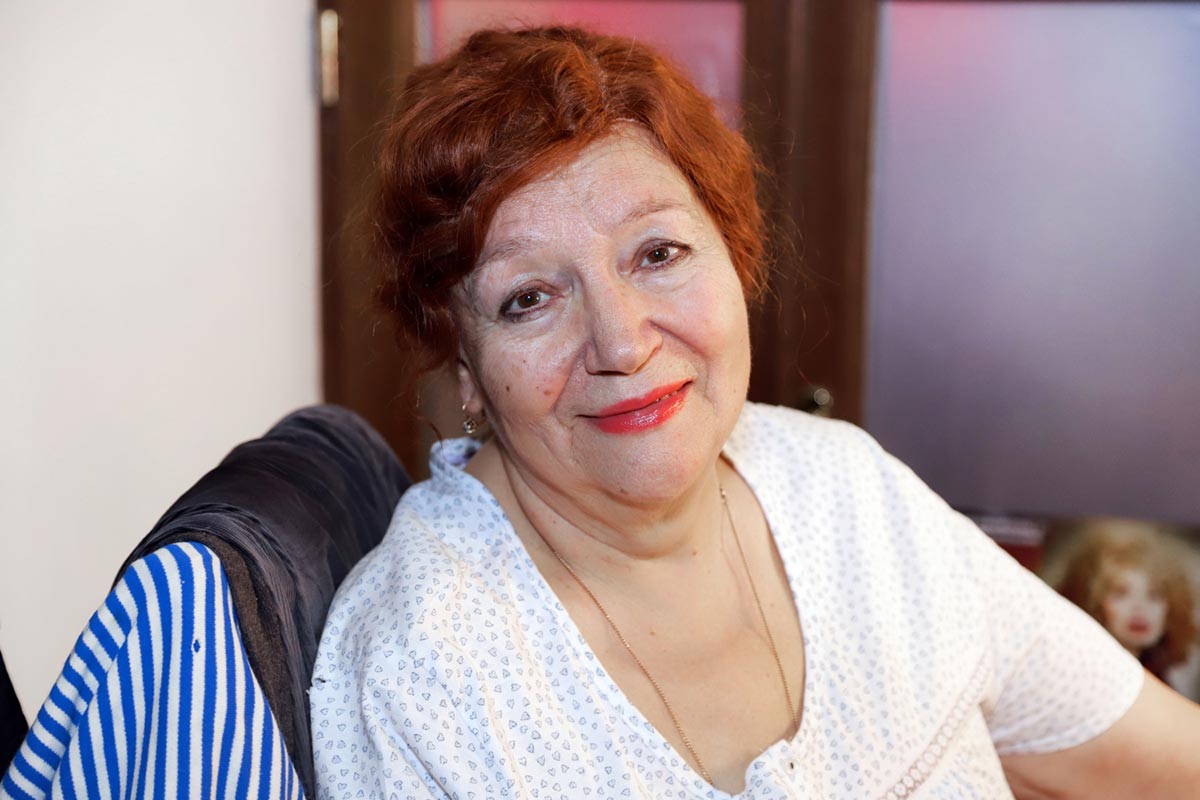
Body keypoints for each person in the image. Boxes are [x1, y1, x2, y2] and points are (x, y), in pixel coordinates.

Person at [309, 25, 1200, 799]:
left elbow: (1164, 760)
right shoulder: (418, 673)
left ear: (734, 257)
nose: (621, 342)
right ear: (465, 367)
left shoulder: (851, 494)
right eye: (529, 298)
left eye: (658, 253)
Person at [1056, 520, 1198, 684]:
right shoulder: (1079, 677)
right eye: (1120, 593)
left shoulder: (1161, 681)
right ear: (1093, 603)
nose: (1139, 607)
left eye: (1154, 595)